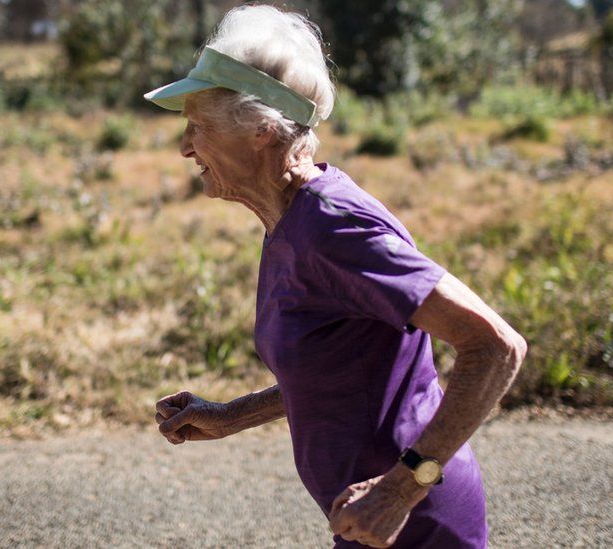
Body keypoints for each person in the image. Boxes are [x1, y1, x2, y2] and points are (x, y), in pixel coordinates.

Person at [146, 6, 526, 548]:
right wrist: (231, 416)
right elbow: (343, 369)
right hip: (370, 518)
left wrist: (402, 489)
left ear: (259, 130)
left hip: (411, 522)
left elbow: (496, 346)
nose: (185, 146)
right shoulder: (289, 219)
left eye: (198, 126)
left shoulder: (333, 229)